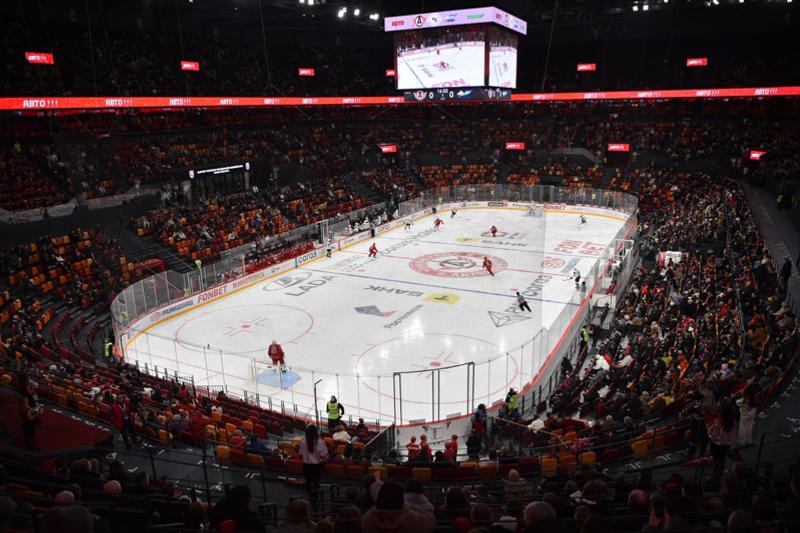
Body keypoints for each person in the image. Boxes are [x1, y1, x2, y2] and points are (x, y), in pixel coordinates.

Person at [299, 424, 328, 496]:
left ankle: (310, 497)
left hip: (306, 466)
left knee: (308, 483)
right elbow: (324, 455)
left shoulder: (302, 441)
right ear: (316, 432)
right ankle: (315, 498)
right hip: (317, 466)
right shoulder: (320, 441)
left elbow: (300, 454)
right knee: (316, 483)